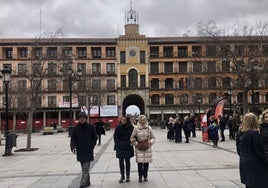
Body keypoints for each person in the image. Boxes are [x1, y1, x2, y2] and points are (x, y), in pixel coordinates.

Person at [236, 113, 268, 188]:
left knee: (249, 184)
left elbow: (238, 149)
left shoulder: (240, 133)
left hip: (244, 162)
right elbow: (259, 151)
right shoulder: (254, 133)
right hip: (256, 165)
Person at [70, 112, 98, 188]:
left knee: (85, 168)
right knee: (84, 168)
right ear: (78, 119)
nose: (82, 119)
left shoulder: (91, 127)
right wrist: (73, 147)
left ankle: (82, 184)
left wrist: (92, 145)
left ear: (86, 118)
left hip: (88, 150)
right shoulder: (75, 128)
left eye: (83, 117)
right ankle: (87, 182)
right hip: (80, 151)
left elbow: (95, 138)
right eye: (80, 118)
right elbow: (73, 139)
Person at [130, 115, 155, 182]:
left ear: (146, 120)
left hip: (147, 147)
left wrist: (150, 142)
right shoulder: (136, 128)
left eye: (144, 120)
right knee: (140, 163)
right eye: (141, 120)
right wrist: (136, 143)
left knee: (146, 163)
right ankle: (140, 176)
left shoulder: (149, 128)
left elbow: (153, 138)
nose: (143, 121)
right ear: (139, 121)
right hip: (139, 147)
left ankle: (145, 176)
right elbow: (132, 137)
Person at [113, 116, 134, 183]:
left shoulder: (131, 127)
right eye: (121, 120)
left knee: (127, 161)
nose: (122, 121)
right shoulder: (118, 127)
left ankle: (128, 175)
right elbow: (115, 136)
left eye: (124, 120)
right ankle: (122, 175)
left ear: (127, 120)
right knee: (121, 162)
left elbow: (133, 136)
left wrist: (130, 142)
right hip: (120, 146)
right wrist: (117, 143)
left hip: (128, 146)